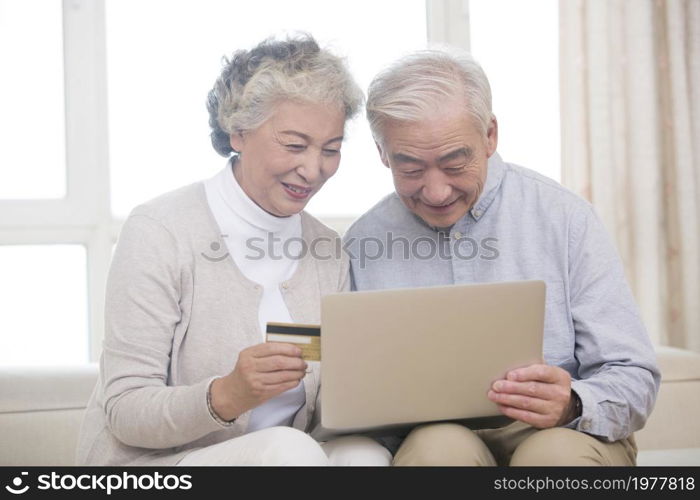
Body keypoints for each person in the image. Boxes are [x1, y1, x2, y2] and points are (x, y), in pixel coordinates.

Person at [76, 35, 391, 466]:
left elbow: (322, 403)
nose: (314, 169)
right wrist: (226, 394)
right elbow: (126, 409)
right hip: (153, 463)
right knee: (288, 448)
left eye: (331, 150)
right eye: (295, 145)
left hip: (282, 459)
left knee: (364, 456)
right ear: (238, 131)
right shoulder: (160, 230)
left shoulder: (326, 250)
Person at [343, 48, 660, 466]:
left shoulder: (565, 217)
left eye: (455, 163)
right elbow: (351, 389)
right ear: (383, 153)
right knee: (439, 451)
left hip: (564, 432)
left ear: (490, 135)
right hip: (430, 437)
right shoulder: (364, 240)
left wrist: (574, 403)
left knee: (553, 459)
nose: (436, 192)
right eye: (411, 168)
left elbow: (635, 376)